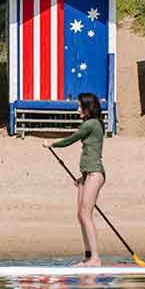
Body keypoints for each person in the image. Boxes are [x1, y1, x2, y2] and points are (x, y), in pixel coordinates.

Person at [45, 92, 106, 266]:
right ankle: (88, 257)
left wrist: (52, 144)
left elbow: (72, 139)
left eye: (80, 106)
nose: (78, 109)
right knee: (80, 215)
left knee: (86, 214)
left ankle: (95, 258)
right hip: (86, 175)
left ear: (88, 108)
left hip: (95, 173)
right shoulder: (89, 123)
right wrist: (81, 177)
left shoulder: (91, 124)